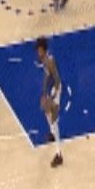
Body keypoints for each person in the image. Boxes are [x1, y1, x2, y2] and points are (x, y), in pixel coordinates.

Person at [36, 37, 63, 167]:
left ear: (43, 50)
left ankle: (59, 155)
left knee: (54, 121)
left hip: (56, 91)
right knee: (46, 111)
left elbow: (57, 80)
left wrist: (53, 97)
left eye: (39, 50)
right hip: (50, 90)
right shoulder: (44, 60)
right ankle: (52, 133)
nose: (38, 53)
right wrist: (44, 92)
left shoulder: (50, 61)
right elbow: (47, 76)